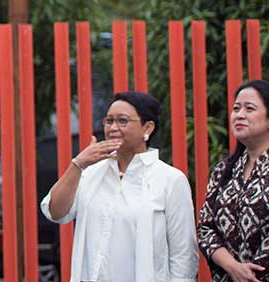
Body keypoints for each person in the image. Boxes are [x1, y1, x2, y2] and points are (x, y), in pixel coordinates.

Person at [40, 91, 199, 282]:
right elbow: (54, 212)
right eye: (109, 121)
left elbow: (184, 255)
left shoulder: (170, 179)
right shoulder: (91, 172)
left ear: (147, 128)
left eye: (122, 121)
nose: (113, 128)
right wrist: (78, 164)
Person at [197, 79, 269, 282]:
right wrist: (232, 267)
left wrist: (249, 274)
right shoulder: (224, 170)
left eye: (250, 109)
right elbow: (205, 228)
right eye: (236, 108)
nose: (239, 115)